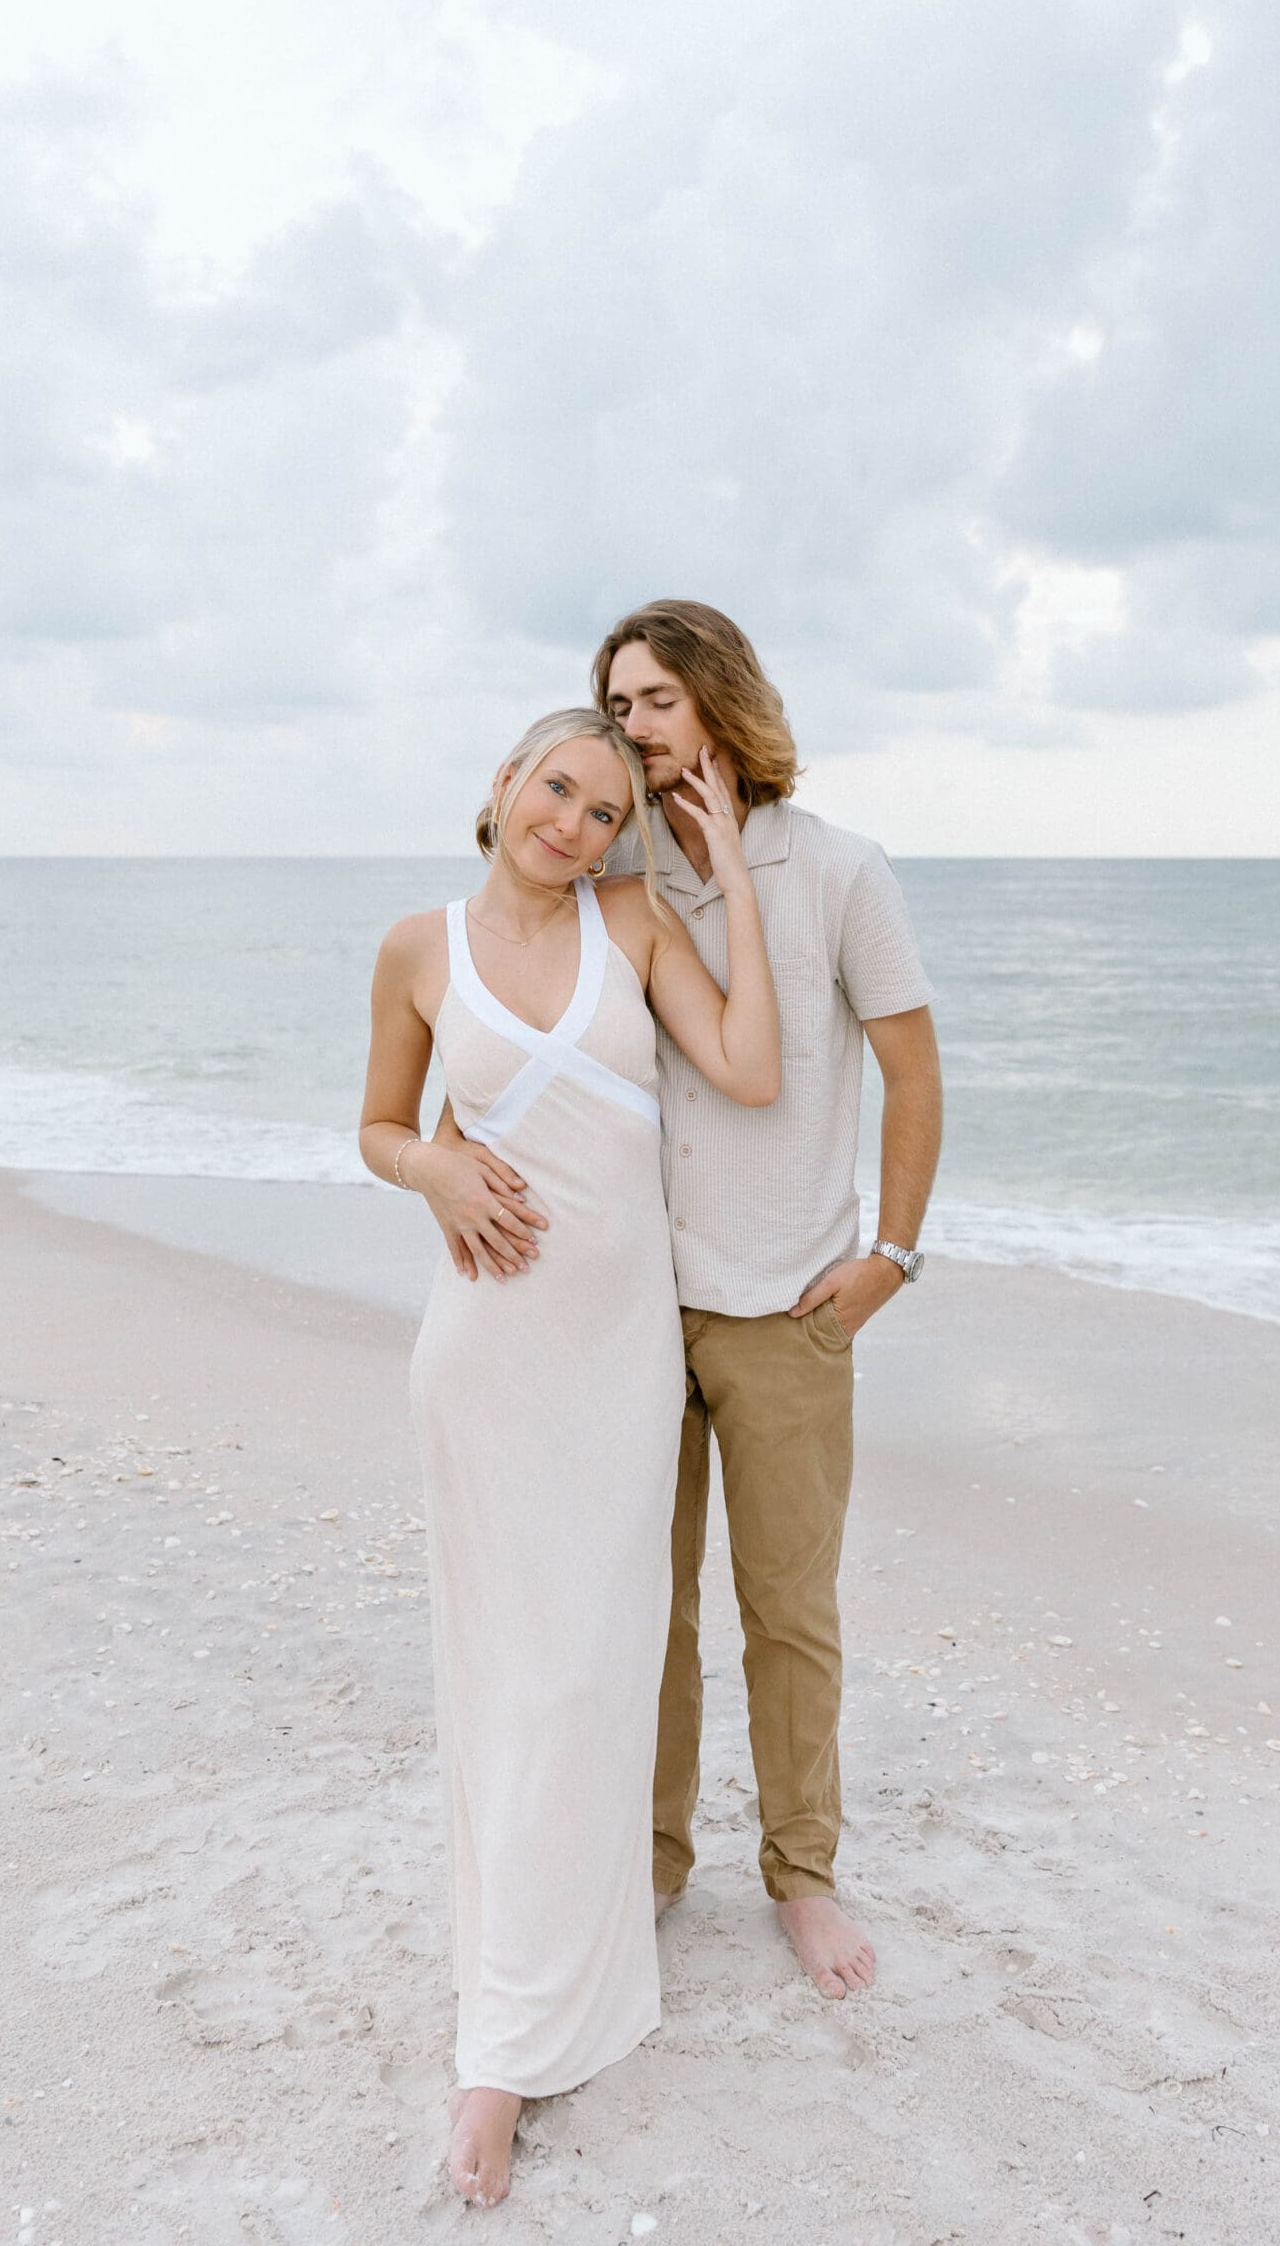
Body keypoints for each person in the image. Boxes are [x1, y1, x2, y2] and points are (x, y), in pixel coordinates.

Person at [427, 605, 942, 2003]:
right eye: (615, 701)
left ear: (717, 701)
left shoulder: (840, 872)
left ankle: (803, 1875)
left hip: (789, 1303)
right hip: (629, 1310)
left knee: (788, 1607)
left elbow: (911, 1072)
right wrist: (442, 1159)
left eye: (653, 700)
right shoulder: (615, 865)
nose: (631, 729)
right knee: (637, 1604)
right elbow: (500, 1030)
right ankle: (651, 1862)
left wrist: (893, 1254)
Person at [358, 706, 780, 2210]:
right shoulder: (420, 947)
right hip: (484, 1363)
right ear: (502, 784)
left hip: (614, 1372)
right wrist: (435, 1167)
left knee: (590, 1678)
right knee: (504, 1683)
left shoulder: (636, 920)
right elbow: (374, 1125)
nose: (575, 826)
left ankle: (563, 1978)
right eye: (558, 790)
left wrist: (721, 877)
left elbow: (743, 1063)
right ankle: (500, 2053)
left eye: (606, 811)